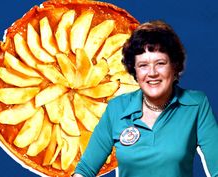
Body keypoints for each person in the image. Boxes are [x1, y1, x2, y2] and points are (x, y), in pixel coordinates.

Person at [73, 20, 218, 177]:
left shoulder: (196, 104)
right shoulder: (117, 108)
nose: (152, 73)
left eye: (160, 63)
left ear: (174, 66)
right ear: (134, 70)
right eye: (143, 65)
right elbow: (85, 170)